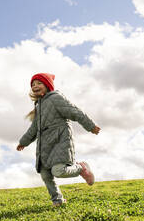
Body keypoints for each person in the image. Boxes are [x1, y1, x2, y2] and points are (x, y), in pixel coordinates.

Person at [16, 73, 101, 206]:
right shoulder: (38, 106)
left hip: (60, 140)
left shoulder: (56, 98)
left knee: (58, 171)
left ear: (47, 85)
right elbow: (34, 128)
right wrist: (23, 142)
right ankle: (57, 200)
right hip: (44, 145)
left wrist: (90, 126)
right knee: (45, 174)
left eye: (39, 83)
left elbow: (74, 111)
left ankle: (81, 168)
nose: (35, 86)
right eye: (33, 84)